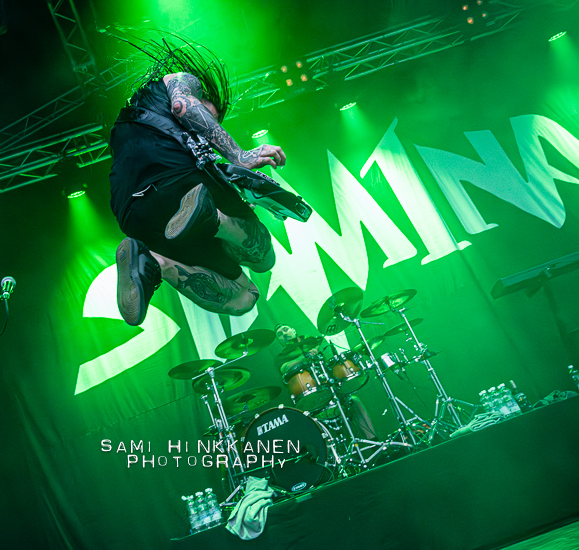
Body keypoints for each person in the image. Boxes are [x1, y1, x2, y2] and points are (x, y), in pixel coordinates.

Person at [109, 36, 286, 326]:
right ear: (205, 97)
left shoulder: (121, 129)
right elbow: (184, 106)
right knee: (265, 259)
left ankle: (153, 263)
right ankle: (213, 218)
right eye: (213, 117)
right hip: (180, 182)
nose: (208, 132)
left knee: (246, 297)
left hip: (133, 215)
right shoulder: (178, 81)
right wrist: (239, 155)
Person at [273, 324, 378, 441]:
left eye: (286, 330)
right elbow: (284, 368)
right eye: (280, 334)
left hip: (327, 385)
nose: (284, 334)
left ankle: (374, 442)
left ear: (293, 330)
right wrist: (302, 358)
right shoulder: (281, 357)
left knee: (354, 401)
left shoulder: (310, 342)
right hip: (309, 395)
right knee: (312, 422)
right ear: (279, 341)